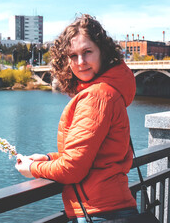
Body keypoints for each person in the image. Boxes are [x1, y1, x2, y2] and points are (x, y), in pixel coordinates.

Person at [15, 14, 138, 223]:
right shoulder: (108, 91)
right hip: (111, 206)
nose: (80, 62)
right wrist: (47, 158)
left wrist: (32, 169)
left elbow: (72, 169)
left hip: (100, 213)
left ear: (102, 52)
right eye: (73, 55)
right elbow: (94, 155)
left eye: (87, 52)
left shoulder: (96, 96)